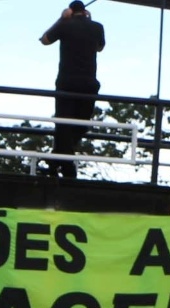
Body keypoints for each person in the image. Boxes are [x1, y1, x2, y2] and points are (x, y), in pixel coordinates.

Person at [40, 2, 105, 180]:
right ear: (84, 11)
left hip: (66, 82)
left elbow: (44, 40)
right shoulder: (97, 26)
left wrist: (61, 19)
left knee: (63, 124)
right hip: (88, 82)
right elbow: (100, 47)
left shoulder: (64, 24)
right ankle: (61, 162)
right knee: (81, 124)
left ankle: (59, 161)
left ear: (71, 11)